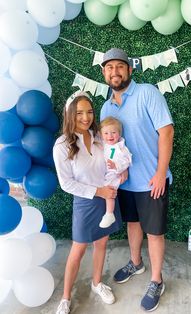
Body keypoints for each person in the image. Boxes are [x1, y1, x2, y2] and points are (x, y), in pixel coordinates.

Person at [100, 48, 174, 312]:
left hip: (152, 180)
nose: (115, 72)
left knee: (154, 233)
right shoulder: (106, 107)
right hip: (124, 183)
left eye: (120, 66)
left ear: (129, 69)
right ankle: (136, 263)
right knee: (133, 224)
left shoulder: (147, 93)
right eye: (109, 68)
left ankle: (156, 280)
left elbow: (166, 132)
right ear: (103, 73)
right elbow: (107, 145)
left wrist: (160, 173)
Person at [53, 91, 122, 314]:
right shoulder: (62, 145)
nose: (86, 117)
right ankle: (65, 298)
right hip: (86, 203)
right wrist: (98, 191)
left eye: (90, 112)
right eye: (80, 113)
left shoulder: (100, 137)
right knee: (78, 250)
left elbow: (115, 159)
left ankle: (96, 283)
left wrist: (122, 171)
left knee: (102, 244)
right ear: (70, 114)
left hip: (107, 199)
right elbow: (67, 184)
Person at [99, 116, 132, 228]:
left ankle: (109, 213)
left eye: (113, 132)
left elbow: (127, 160)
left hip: (114, 175)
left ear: (119, 133)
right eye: (106, 133)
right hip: (102, 173)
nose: (110, 136)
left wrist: (116, 166)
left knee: (109, 192)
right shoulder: (103, 144)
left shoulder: (121, 148)